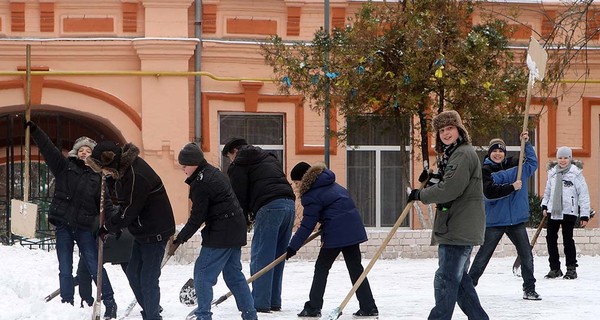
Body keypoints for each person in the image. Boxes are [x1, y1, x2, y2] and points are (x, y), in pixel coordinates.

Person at [25, 121, 118, 318]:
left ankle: (109, 301)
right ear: (76, 153)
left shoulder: (98, 177)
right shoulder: (64, 167)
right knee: (64, 267)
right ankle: (66, 304)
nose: (84, 152)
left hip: (84, 228)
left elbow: (107, 206)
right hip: (64, 227)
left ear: (93, 156)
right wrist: (35, 130)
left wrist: (113, 226)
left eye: (88, 150)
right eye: (81, 150)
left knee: (94, 265)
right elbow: (48, 149)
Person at [407, 110, 488, 320]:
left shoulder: (462, 154)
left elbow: (450, 189)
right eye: (442, 130)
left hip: (458, 227)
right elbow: (446, 182)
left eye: (450, 128)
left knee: (445, 279)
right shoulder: (454, 154)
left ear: (459, 130)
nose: (445, 133)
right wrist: (430, 179)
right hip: (456, 224)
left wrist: (420, 194)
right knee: (458, 281)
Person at [87, 141, 175, 320]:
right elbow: (122, 203)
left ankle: (152, 316)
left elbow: (129, 211)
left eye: (103, 169)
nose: (103, 174)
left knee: (148, 280)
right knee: (134, 273)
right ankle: (150, 312)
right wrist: (115, 226)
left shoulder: (136, 175)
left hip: (155, 233)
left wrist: (108, 227)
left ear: (110, 162)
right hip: (142, 231)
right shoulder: (122, 171)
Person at [167, 142, 257, 320]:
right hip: (235, 227)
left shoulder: (202, 182)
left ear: (193, 164)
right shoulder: (212, 172)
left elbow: (197, 216)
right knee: (233, 275)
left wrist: (180, 238)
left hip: (222, 231)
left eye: (184, 166)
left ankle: (203, 315)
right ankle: (250, 314)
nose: (183, 170)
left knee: (202, 274)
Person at [286, 161, 378, 318]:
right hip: (352, 229)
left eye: (296, 182)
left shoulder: (311, 194)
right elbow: (338, 208)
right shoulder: (331, 184)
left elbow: (307, 225)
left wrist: (292, 247)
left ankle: (313, 307)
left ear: (304, 179)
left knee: (321, 267)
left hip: (336, 232)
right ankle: (368, 306)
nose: (295, 186)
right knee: (356, 269)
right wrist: (325, 222)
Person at [222, 137, 295, 313]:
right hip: (289, 205)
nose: (230, 161)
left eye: (228, 157)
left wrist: (243, 220)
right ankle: (273, 300)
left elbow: (239, 196)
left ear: (234, 152)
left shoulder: (239, 164)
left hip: (269, 207)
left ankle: (260, 303)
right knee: (278, 256)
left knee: (261, 256)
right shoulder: (269, 157)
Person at [468, 132, 541, 300]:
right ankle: (468, 287)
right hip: (495, 221)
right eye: (494, 151)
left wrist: (527, 144)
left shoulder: (516, 164)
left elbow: (532, 163)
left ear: (505, 153)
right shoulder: (485, 170)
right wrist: (511, 187)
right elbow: (489, 193)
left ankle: (529, 288)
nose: (498, 154)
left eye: (501, 151)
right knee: (483, 255)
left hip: (516, 220)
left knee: (526, 254)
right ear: (489, 153)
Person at [541, 146, 591, 280]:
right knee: (550, 238)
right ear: (556, 158)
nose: (562, 160)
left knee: (567, 240)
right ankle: (555, 268)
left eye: (565, 158)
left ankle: (571, 268)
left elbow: (584, 195)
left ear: (570, 158)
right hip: (553, 210)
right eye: (560, 158)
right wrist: (544, 205)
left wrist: (584, 214)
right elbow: (547, 191)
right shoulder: (552, 173)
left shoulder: (576, 174)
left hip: (569, 211)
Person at [76, 229, 133, 308]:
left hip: (105, 239)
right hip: (123, 239)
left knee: (84, 270)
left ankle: (87, 301)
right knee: (133, 274)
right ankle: (147, 299)